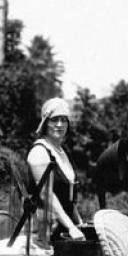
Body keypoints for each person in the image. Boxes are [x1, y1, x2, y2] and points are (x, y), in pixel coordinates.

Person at [27, 97, 84, 245]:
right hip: (46, 231)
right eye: (54, 120)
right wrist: (71, 227)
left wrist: (79, 223)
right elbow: (46, 195)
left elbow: (68, 199)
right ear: (46, 123)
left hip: (64, 229)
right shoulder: (39, 152)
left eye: (64, 120)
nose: (59, 125)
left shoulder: (62, 152)